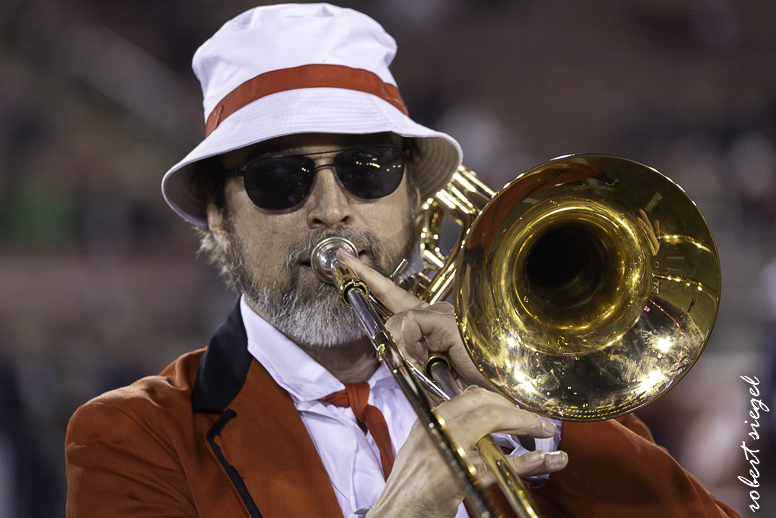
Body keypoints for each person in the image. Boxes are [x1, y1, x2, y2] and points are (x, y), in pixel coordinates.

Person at [64, 4, 740, 518]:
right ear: (218, 216)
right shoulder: (131, 436)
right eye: (280, 179)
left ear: (415, 197)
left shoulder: (526, 387)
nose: (332, 209)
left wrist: (536, 404)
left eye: (369, 169)